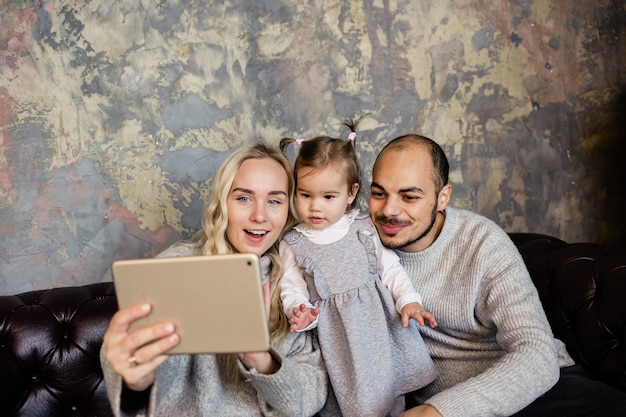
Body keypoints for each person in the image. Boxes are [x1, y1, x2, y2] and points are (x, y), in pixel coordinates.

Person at [368, 134, 626, 417]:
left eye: (409, 196)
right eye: (379, 193)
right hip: (441, 403)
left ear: (442, 197)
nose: (389, 210)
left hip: (530, 387)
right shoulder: (357, 243)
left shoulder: (482, 242)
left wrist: (440, 411)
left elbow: (536, 352)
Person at [100, 143, 328, 417]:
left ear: (288, 212)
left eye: (274, 201)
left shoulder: (294, 282)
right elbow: (135, 363)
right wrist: (136, 380)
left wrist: (261, 359)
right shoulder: (175, 266)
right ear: (223, 202)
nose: (259, 215)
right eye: (244, 198)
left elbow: (310, 397)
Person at [278, 122, 437, 417]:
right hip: (338, 334)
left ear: (351, 194)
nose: (315, 207)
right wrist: (299, 309)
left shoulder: (363, 227)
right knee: (351, 395)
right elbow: (290, 285)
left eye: (328, 197)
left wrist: (408, 300)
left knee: (393, 389)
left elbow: (390, 269)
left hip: (379, 327)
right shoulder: (294, 243)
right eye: (305, 195)